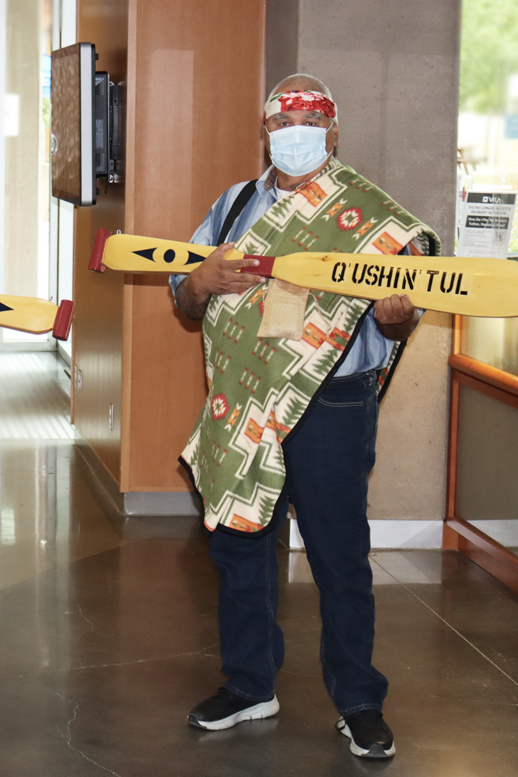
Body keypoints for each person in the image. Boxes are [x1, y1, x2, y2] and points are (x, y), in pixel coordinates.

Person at [172, 75, 440, 759]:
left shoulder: (368, 214)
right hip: (242, 401)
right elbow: (186, 295)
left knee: (338, 555)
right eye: (282, 120)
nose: (296, 131)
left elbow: (405, 305)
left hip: (332, 404)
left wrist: (400, 318)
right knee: (241, 542)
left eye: (311, 119)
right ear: (265, 131)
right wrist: (198, 282)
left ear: (334, 131)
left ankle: (358, 701)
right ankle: (249, 682)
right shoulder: (235, 206)